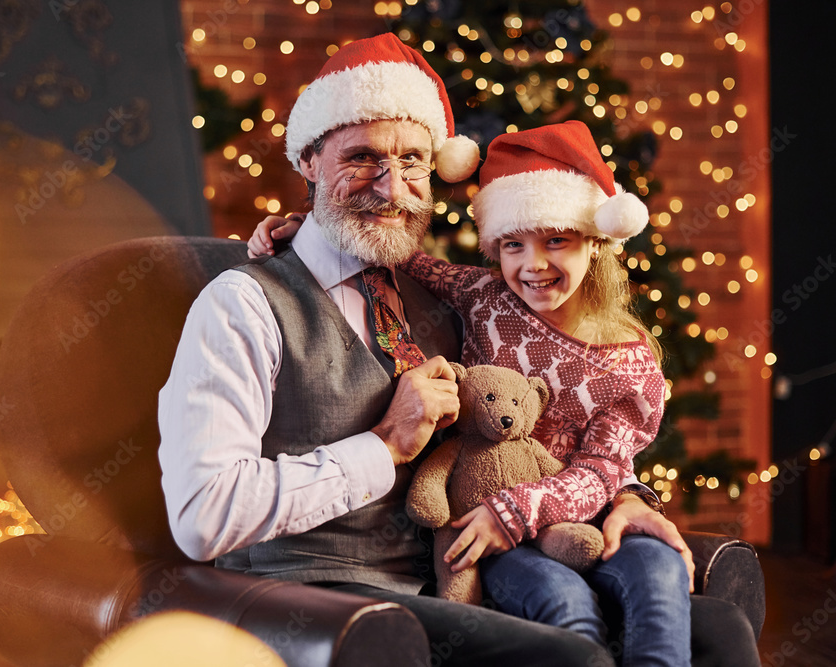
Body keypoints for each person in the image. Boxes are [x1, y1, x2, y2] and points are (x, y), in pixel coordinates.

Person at [161, 33, 755, 666]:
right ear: (309, 161)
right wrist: (385, 443)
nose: (391, 188)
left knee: (717, 630)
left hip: (462, 574)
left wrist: (633, 497)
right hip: (326, 599)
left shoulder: (450, 298)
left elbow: (549, 427)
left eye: (414, 160)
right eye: (361, 157)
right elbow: (203, 516)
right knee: (571, 657)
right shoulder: (243, 303)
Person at [248, 120, 694, 665]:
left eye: (557, 239)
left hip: (571, 515)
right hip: (482, 519)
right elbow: (395, 250)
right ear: (495, 248)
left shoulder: (629, 361)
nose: (533, 265)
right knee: (563, 601)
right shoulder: (485, 297)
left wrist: (524, 508)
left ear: (596, 243)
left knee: (661, 571)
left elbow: (602, 468)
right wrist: (310, 228)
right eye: (513, 245)